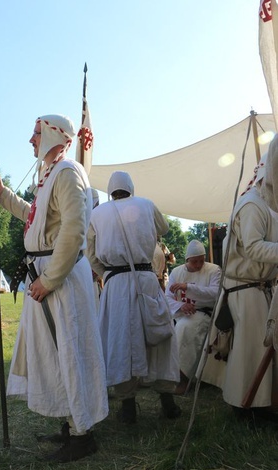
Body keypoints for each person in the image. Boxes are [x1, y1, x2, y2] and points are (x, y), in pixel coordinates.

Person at [0, 114, 108, 462]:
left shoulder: (68, 173)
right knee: (56, 355)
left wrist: (49, 279)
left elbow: (73, 230)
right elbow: (34, 218)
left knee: (69, 351)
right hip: (50, 274)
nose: (30, 140)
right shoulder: (50, 175)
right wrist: (2, 192)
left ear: (55, 134)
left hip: (62, 279)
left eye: (36, 133)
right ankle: (71, 424)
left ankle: (83, 435)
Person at [86, 171, 181, 424]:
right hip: (146, 279)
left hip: (116, 285)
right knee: (159, 335)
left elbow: (89, 252)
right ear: (131, 188)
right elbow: (164, 228)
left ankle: (128, 406)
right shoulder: (147, 204)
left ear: (110, 190)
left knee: (120, 341)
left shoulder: (97, 214)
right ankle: (167, 401)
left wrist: (105, 271)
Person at [201, 139, 278, 421]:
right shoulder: (251, 206)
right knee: (250, 353)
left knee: (260, 351)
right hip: (246, 291)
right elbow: (254, 247)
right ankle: (244, 407)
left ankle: (262, 404)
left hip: (260, 289)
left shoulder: (268, 207)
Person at [165, 240, 221, 394]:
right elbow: (167, 297)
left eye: (201, 260)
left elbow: (216, 293)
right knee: (176, 330)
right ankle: (173, 376)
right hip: (181, 314)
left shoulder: (214, 270)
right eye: (194, 261)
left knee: (186, 328)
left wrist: (188, 287)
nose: (198, 265)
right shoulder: (177, 272)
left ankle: (184, 378)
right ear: (187, 260)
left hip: (205, 313)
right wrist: (181, 306)